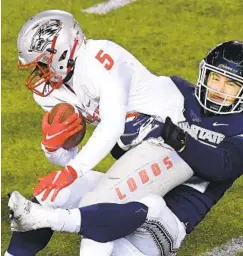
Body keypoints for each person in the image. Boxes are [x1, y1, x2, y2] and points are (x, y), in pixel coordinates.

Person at [7, 39, 243, 256]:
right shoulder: (178, 93)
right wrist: (61, 144)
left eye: (232, 84)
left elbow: (222, 167)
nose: (220, 89)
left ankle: (49, 219)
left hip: (167, 222)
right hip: (133, 189)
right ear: (204, 73)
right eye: (216, 78)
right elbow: (126, 152)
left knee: (148, 205)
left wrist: (176, 138)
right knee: (59, 191)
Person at [6, 8, 195, 256]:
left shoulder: (101, 59)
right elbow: (73, 160)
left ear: (61, 52)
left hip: (173, 144)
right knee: (50, 194)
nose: (39, 72)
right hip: (134, 152)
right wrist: (53, 150)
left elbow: (112, 125)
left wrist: (71, 172)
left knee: (95, 208)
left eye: (42, 63)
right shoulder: (50, 91)